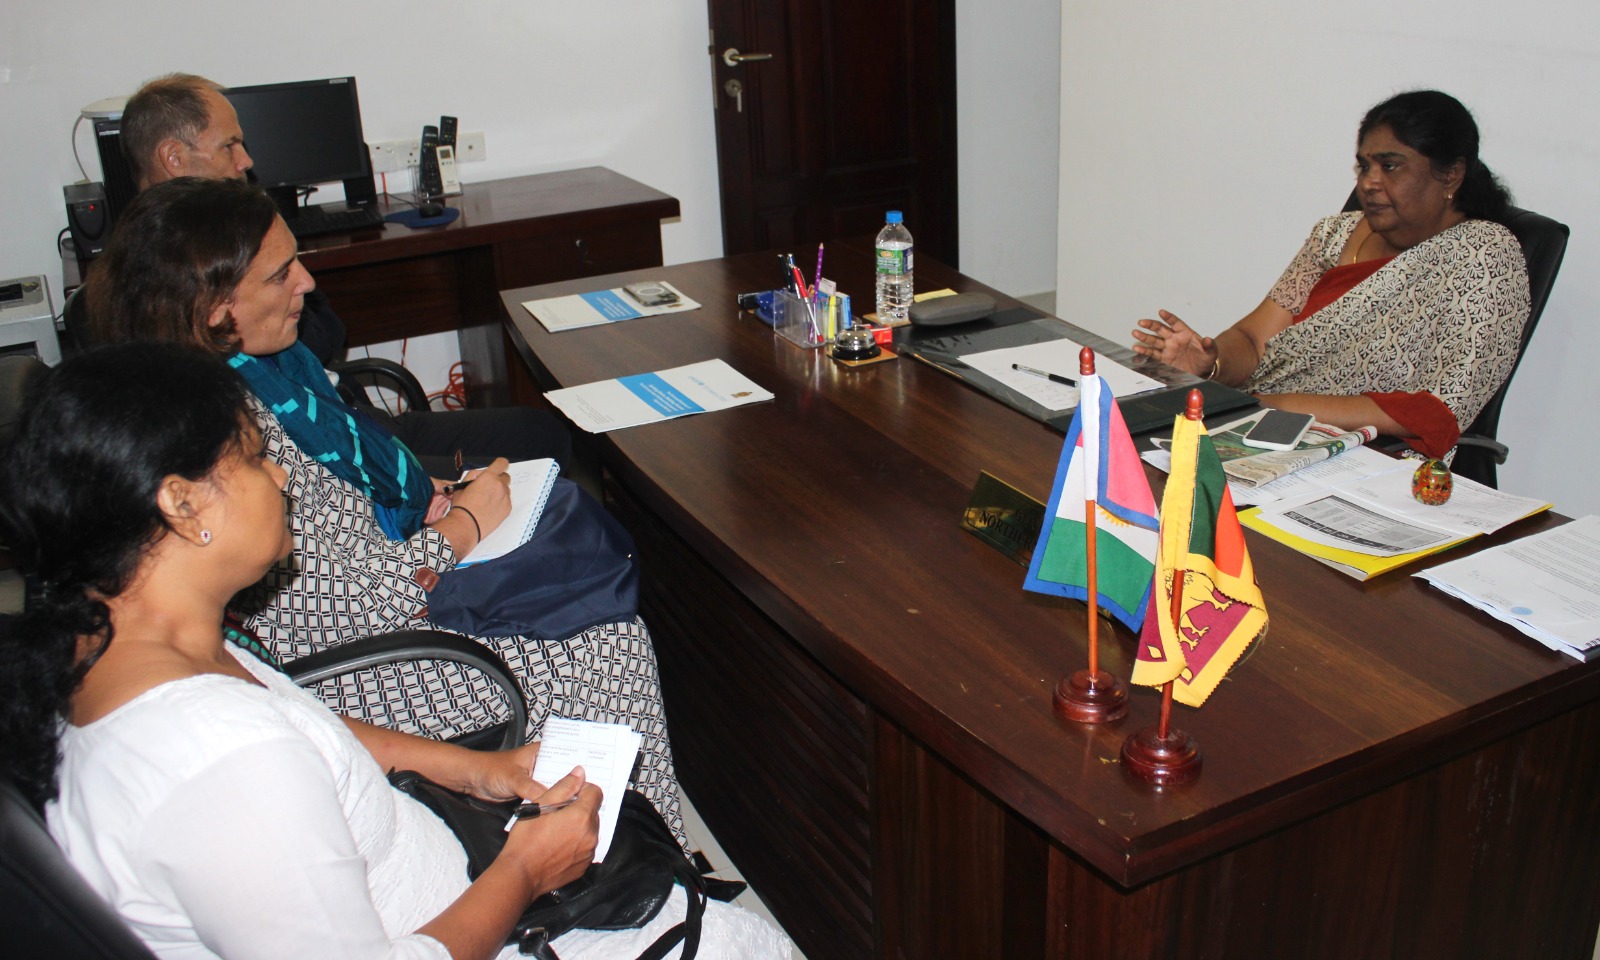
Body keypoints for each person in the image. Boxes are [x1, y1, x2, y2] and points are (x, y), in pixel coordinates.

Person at [0, 341, 791, 960]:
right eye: (253, 456)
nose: (281, 477)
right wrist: (524, 871)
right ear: (180, 504)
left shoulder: (127, 641)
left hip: (451, 883)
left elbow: (302, 720)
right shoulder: (219, 770)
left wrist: (476, 768)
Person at [83, 176, 687, 845]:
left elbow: (337, 522)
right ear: (211, 307)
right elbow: (338, 611)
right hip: (358, 669)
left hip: (370, 607)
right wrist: (465, 527)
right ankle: (641, 857)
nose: (306, 282)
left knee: (572, 579)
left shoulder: (241, 386)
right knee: (609, 644)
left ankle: (623, 844)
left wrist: (431, 504)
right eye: (280, 274)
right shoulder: (227, 441)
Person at [118, 72, 574, 474]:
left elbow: (326, 330)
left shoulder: (227, 232)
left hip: (348, 420)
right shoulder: (166, 277)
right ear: (173, 157)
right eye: (229, 145)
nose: (246, 161)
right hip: (328, 453)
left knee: (539, 430)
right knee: (534, 452)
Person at [1131, 90, 1530, 460]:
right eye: (1364, 166)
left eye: (1390, 166)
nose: (1369, 182)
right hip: (1262, 426)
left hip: (1364, 454)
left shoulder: (1483, 252)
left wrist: (1276, 406)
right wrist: (1212, 363)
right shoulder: (1333, 236)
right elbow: (1254, 341)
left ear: (1451, 174)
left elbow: (1439, 408)